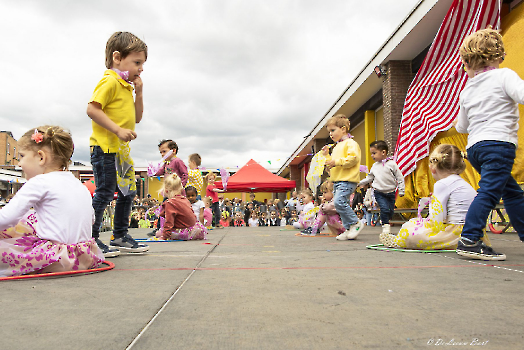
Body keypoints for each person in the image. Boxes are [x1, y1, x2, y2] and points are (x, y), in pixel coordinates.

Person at [454, 27, 524, 260]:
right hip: (498, 144)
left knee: (512, 193)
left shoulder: (467, 90)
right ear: (498, 56)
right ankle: (469, 239)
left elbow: (461, 127)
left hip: (475, 148)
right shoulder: (504, 76)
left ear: (468, 62)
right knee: (489, 193)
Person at [0, 126, 104, 276]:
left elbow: (6, 218)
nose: (19, 164)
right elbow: (91, 219)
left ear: (41, 157)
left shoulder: (39, 182)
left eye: (22, 156)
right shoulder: (77, 183)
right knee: (31, 218)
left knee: (21, 220)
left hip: (53, 258)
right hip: (84, 257)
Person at [87, 31, 149, 256]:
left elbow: (137, 118)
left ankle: (120, 235)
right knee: (104, 192)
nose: (141, 68)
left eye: (142, 63)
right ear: (117, 58)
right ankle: (89, 239)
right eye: (137, 62)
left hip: (121, 151)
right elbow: (92, 109)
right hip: (104, 148)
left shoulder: (126, 86)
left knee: (128, 192)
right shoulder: (110, 80)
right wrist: (117, 130)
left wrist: (139, 91)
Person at [380, 145, 490, 250]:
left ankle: (401, 241)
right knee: (415, 225)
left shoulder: (441, 184)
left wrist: (430, 208)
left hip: (455, 234)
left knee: (409, 227)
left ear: (432, 168)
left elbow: (437, 219)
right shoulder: (463, 183)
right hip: (475, 232)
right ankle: (402, 240)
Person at [322, 114, 363, 240]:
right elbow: (334, 163)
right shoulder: (336, 146)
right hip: (338, 180)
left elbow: (353, 159)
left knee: (339, 202)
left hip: (347, 179)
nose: (331, 134)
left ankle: (355, 223)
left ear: (343, 129)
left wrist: (336, 162)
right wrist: (327, 157)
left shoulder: (351, 143)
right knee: (340, 204)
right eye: (329, 132)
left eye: (333, 130)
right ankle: (348, 227)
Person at [358, 140, 405, 235]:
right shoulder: (374, 166)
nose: (372, 156)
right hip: (379, 192)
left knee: (390, 211)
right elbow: (369, 178)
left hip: (391, 192)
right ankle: (385, 226)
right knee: (384, 208)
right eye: (371, 153)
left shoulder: (392, 164)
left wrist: (401, 190)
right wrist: (359, 183)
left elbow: (399, 177)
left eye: (374, 153)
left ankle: (387, 221)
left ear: (383, 152)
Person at [157, 174, 206, 241]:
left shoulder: (170, 202)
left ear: (166, 190)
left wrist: (164, 236)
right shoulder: (185, 199)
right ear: (181, 189)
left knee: (159, 233)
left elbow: (169, 222)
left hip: (183, 232)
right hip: (195, 228)